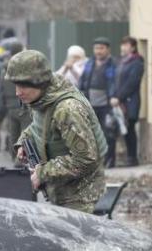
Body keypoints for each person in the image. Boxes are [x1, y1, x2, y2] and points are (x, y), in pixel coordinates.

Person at [6, 50, 106, 214]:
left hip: (81, 198)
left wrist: (42, 173)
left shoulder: (67, 109)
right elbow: (40, 126)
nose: (17, 92)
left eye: (23, 86)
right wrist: (24, 142)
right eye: (16, 85)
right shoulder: (43, 100)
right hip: (63, 193)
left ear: (39, 82)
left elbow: (85, 159)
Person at [79, 36, 117, 167]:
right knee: (92, 133)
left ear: (107, 49)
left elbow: (115, 83)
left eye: (101, 48)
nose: (98, 51)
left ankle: (110, 160)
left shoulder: (113, 63)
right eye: (96, 48)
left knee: (109, 133)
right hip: (90, 104)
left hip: (107, 104)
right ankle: (96, 161)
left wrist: (114, 96)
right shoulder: (90, 62)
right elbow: (83, 80)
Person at [112, 36, 145, 167]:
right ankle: (125, 157)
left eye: (126, 45)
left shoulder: (137, 62)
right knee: (123, 130)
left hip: (130, 102)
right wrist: (114, 96)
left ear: (133, 47)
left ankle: (132, 158)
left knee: (130, 129)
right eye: (122, 45)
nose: (123, 47)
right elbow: (116, 81)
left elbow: (132, 83)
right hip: (119, 102)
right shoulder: (121, 61)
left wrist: (119, 97)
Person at [0, 40, 31, 163]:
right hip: (24, 104)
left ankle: (14, 158)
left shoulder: (5, 68)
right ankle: (21, 161)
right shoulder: (26, 67)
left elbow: (0, 87)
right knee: (26, 132)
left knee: (13, 132)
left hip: (10, 105)